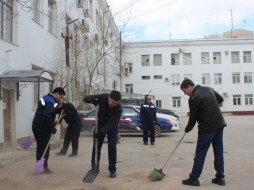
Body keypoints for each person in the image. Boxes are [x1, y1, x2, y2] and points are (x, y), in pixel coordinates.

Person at [180, 79, 227, 186]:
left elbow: (193, 118)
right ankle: (220, 178)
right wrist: (211, 105)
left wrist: (187, 129)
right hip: (219, 124)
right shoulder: (208, 88)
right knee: (218, 151)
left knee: (200, 153)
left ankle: (194, 178)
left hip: (207, 128)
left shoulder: (193, 98)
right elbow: (220, 99)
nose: (185, 94)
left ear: (189, 86)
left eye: (184, 91)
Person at [83, 90, 122, 178]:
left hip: (112, 126)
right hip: (100, 124)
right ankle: (94, 166)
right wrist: (92, 100)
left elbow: (112, 123)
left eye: (116, 103)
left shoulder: (118, 109)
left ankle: (112, 169)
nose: (113, 104)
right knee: (97, 145)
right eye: (112, 102)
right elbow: (86, 98)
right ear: (109, 97)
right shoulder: (102, 97)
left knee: (112, 147)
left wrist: (101, 132)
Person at [32, 87, 65, 174]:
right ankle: (43, 168)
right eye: (61, 97)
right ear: (57, 94)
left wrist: (59, 109)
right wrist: (52, 128)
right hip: (42, 128)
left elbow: (50, 111)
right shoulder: (51, 101)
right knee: (44, 148)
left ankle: (41, 167)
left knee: (41, 147)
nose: (60, 99)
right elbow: (47, 115)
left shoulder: (47, 98)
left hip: (38, 126)